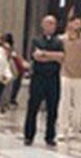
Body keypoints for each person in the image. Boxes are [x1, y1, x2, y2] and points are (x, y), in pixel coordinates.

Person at [22, 14, 62, 146]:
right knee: (33, 107)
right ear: (43, 25)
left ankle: (50, 136)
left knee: (52, 108)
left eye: (53, 24)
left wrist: (45, 54)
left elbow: (61, 57)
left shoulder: (59, 41)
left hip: (53, 78)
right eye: (48, 23)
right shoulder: (36, 40)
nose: (51, 26)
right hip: (38, 77)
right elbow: (36, 56)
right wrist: (52, 56)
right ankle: (29, 135)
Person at [56, 13, 81, 138]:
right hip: (65, 74)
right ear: (70, 24)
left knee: (79, 103)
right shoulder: (62, 39)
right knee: (64, 102)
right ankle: (63, 128)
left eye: (79, 23)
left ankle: (75, 128)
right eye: (75, 23)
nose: (78, 25)